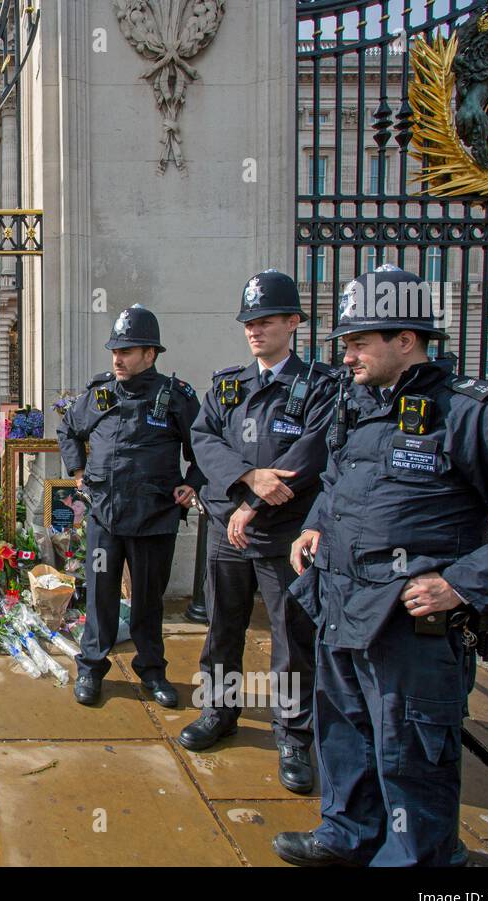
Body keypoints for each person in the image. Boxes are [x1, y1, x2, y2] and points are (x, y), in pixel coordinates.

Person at [273, 265, 488, 867]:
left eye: (359, 341)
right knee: (345, 736)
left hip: (411, 629)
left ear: (406, 339)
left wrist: (460, 584)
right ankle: (347, 836)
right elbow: (341, 478)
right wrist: (316, 521)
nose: (347, 355)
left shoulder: (475, 413)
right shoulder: (361, 403)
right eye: (345, 342)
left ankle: (417, 863)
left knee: (409, 757)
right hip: (341, 608)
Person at [182, 269, 336, 794]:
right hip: (230, 532)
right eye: (249, 321)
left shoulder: (319, 387)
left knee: (292, 640)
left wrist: (253, 505)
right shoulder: (229, 386)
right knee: (222, 627)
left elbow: (310, 457)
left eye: (267, 320)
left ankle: (294, 735)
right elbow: (203, 440)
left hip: (284, 537)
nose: (255, 330)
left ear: (293, 322)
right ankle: (219, 712)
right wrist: (246, 480)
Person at [56, 305, 203, 708]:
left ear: (150, 354)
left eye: (128, 351)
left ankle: (153, 672)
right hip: (105, 515)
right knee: (100, 596)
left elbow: (203, 448)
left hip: (154, 518)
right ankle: (90, 669)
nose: (118, 359)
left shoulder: (175, 397)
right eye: (115, 351)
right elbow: (68, 428)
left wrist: (192, 485)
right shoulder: (101, 393)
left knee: (148, 601)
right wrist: (78, 471)